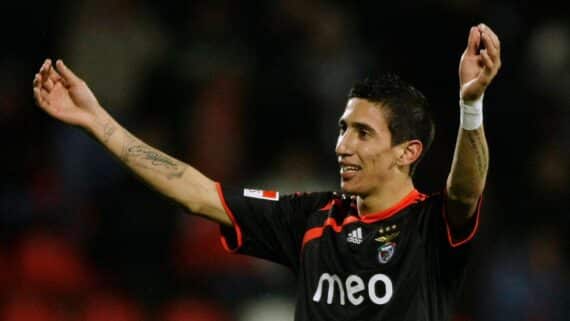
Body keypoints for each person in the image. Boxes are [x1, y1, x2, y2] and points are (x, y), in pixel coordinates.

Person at [33, 23, 501, 321]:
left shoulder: (428, 227)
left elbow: (463, 193)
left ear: (407, 152)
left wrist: (471, 104)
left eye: (362, 133)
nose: (342, 146)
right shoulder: (313, 218)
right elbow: (196, 193)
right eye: (342, 129)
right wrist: (98, 121)